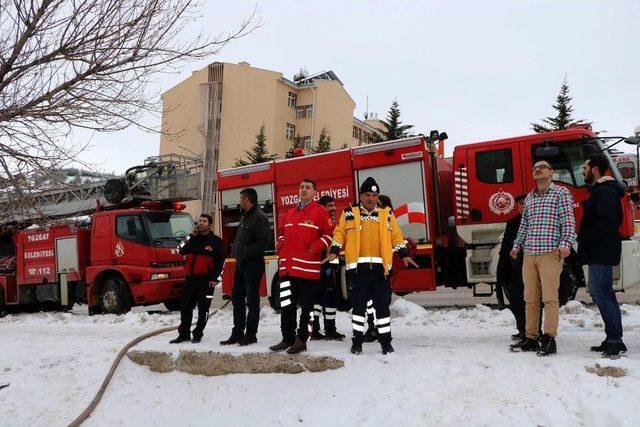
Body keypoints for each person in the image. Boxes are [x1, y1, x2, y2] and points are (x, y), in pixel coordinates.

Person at [326, 178, 418, 355]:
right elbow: (339, 234)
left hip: (380, 272)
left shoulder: (387, 214)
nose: (370, 198)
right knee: (359, 310)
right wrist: (335, 249)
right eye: (367, 195)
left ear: (378, 197)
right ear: (361, 195)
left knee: (382, 309)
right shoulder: (349, 213)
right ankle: (357, 342)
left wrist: (404, 254)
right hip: (358, 271)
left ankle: (386, 343)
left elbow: (397, 238)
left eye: (374, 195)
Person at [510, 160, 576, 356]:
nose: (537, 170)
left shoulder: (561, 193)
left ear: (551, 171)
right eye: (534, 168)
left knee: (550, 298)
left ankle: (549, 338)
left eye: (542, 167)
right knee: (530, 298)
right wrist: (517, 245)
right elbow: (524, 225)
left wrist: (566, 243)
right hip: (530, 254)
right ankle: (531, 337)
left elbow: (568, 220)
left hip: (550, 252)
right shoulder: (530, 197)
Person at [269, 179, 333, 354]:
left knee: (307, 308)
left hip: (307, 271)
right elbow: (282, 234)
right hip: (287, 270)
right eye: (301, 187)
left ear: (314, 192)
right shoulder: (290, 213)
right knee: (286, 305)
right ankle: (287, 338)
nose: (304, 190)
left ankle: (302, 339)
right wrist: (280, 245)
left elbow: (329, 235)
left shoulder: (320, 212)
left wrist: (314, 248)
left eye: (308, 187)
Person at [578, 154, 627, 357]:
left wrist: (584, 236)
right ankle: (613, 338)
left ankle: (615, 340)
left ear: (595, 169)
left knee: (600, 292)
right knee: (605, 293)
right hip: (602, 249)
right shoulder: (604, 191)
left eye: (585, 168)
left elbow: (606, 223)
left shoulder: (604, 192)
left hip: (601, 250)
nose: (583, 172)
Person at [220, 188, 271, 347]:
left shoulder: (260, 218)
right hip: (241, 264)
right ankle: (237, 332)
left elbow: (264, 242)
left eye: (241, 198)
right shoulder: (245, 217)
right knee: (237, 298)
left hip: (253, 265)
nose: (239, 201)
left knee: (252, 300)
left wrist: (244, 252)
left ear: (247, 199)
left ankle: (251, 334)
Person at [170, 214, 224, 344]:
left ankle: (198, 333)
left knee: (203, 309)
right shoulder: (192, 238)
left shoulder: (216, 241)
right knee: (185, 307)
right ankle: (184, 334)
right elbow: (180, 249)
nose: (201, 223)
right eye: (199, 220)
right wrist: (191, 235)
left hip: (207, 282)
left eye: (204, 221)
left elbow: (220, 262)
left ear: (210, 225)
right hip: (190, 280)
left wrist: (215, 279)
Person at [310, 195, 346, 341]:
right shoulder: (322, 222)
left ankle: (314, 329)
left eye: (334, 205)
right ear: (323, 208)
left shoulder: (325, 221)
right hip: (323, 264)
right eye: (330, 205)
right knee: (330, 297)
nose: (334, 208)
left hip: (323, 264)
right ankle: (330, 330)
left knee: (318, 298)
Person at [361, 194, 395, 343]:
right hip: (370, 269)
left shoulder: (386, 220)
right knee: (369, 301)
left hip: (382, 270)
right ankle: (373, 327)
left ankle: (381, 332)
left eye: (378, 201)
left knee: (381, 303)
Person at [497, 194, 526, 340]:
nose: (523, 206)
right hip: (514, 268)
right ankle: (521, 329)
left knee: (531, 302)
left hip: (529, 267)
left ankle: (533, 331)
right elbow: (505, 244)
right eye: (520, 203)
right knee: (515, 301)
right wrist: (502, 265)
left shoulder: (536, 221)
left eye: (525, 203)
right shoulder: (512, 222)